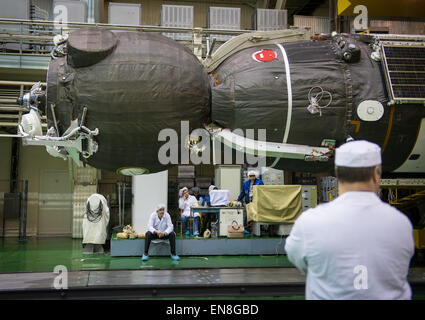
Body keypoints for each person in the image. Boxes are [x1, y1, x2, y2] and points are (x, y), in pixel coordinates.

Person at [285, 140, 415, 300]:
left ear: (337, 172)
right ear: (376, 173)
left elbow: (299, 261)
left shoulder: (310, 222)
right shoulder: (401, 223)